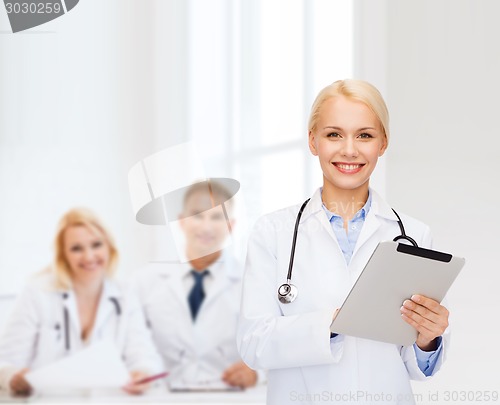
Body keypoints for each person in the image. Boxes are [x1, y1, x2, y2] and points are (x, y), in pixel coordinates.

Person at [237, 79, 450, 405]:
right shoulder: (273, 232)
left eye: (364, 135)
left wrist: (428, 338)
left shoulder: (414, 235)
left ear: (383, 143)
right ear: (313, 141)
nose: (349, 149)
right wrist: (331, 325)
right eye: (334, 134)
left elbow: (416, 365)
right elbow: (254, 344)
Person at [0, 208, 163, 396]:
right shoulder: (37, 293)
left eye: (96, 245)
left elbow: (144, 355)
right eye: (76, 248)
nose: (89, 256)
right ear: (63, 255)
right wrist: (13, 378)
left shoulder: (125, 294)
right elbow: (5, 361)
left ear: (109, 247)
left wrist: (142, 373)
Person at [134, 181, 261, 389]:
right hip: (162, 398)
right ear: (181, 221)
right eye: (197, 215)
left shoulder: (253, 282)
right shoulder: (144, 282)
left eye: (217, 217)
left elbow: (271, 344)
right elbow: (134, 343)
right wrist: (141, 370)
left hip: (228, 398)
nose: (206, 226)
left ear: (231, 226)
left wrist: (257, 373)